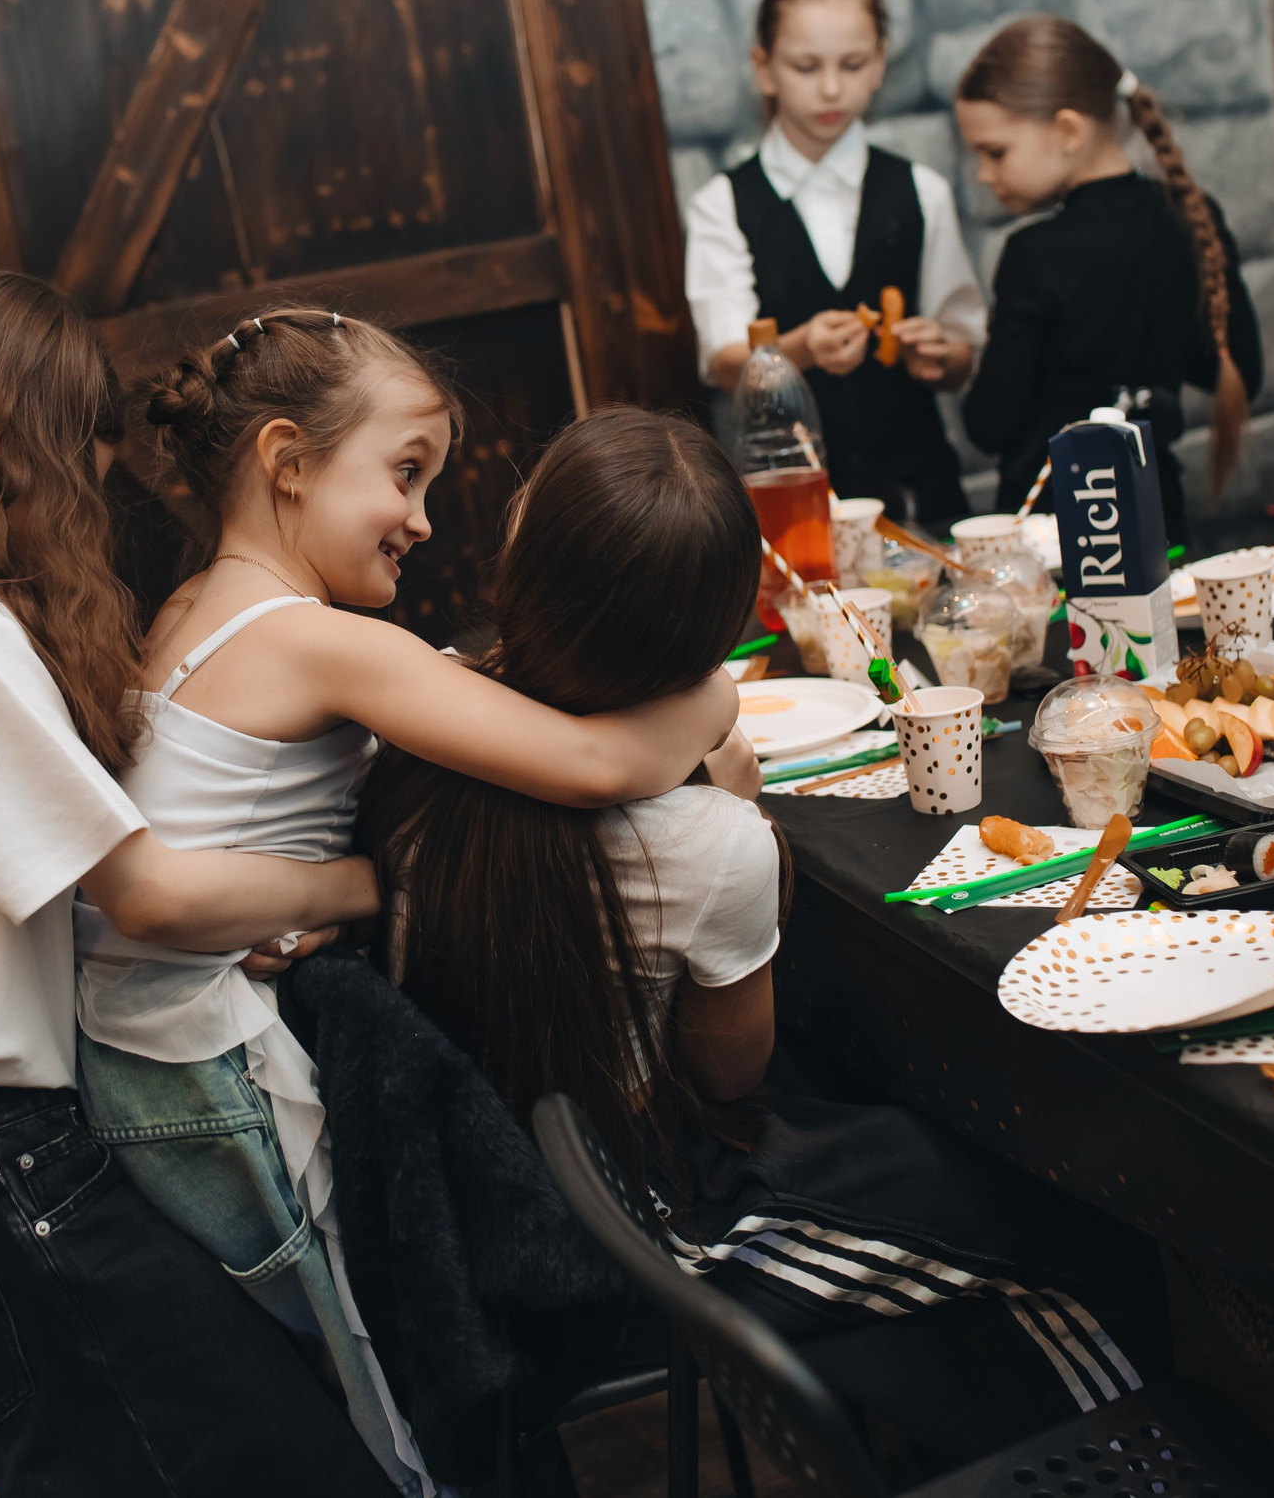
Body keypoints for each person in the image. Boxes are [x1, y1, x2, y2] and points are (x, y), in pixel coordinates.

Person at [361, 406, 1171, 1479]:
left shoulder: (424, 721)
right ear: (713, 629)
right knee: (1074, 1230)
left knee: (902, 1120)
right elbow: (729, 1069)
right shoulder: (703, 843)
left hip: (488, 1175)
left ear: (529, 558)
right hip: (641, 1212)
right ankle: (1123, 1459)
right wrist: (740, 816)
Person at [0, 273, 434, 1498]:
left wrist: (249, 911)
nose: (86, 502)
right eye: (78, 462)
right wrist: (355, 884)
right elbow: (146, 895)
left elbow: (32, 885)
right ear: (11, 442)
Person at [70, 310, 740, 1495]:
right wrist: (715, 697)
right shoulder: (311, 640)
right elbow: (591, 765)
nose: (425, 520)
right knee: (387, 1402)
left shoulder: (186, 611)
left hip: (135, 1052)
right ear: (286, 462)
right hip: (205, 1068)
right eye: (405, 474)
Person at [683, 0, 988, 534]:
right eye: (805, 66)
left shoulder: (922, 191)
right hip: (795, 506)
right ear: (764, 70)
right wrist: (800, 348)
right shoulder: (723, 204)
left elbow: (963, 353)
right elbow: (726, 364)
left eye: (852, 65)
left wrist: (939, 355)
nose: (830, 88)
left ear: (880, 64)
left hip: (921, 492)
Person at [951, 15, 1267, 549]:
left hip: (1055, 533)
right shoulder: (1192, 218)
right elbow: (1236, 370)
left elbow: (990, 423)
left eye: (995, 152)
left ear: (1069, 131)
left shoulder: (1034, 253)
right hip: (1158, 520)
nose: (984, 174)